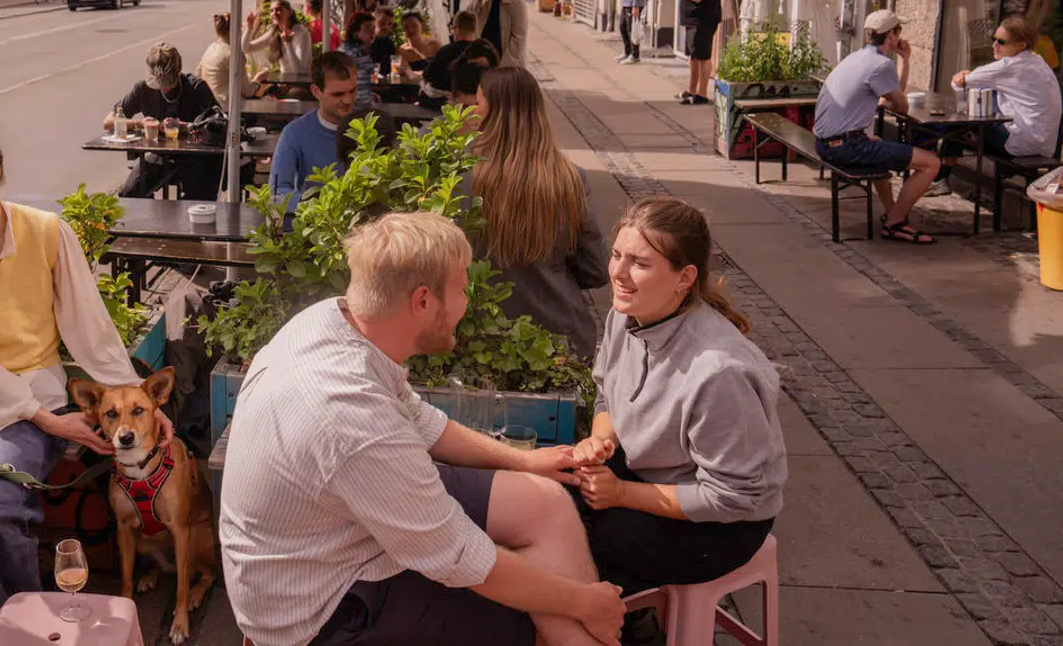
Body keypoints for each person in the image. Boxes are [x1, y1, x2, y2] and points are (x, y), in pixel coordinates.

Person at [219, 212, 627, 646]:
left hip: (335, 535)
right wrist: (585, 602)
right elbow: (458, 556)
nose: (467, 301)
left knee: (545, 502)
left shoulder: (334, 320)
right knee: (531, 616)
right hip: (319, 608)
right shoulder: (354, 420)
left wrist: (524, 461)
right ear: (423, 301)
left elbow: (416, 417)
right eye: (462, 288)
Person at [0, 120, 167, 645]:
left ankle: (18, 634)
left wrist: (140, 402)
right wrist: (50, 423)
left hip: (33, 386)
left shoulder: (46, 232)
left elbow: (89, 327)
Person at [573, 197, 786, 596]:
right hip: (648, 475)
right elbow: (607, 393)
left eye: (639, 263)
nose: (617, 272)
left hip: (719, 529)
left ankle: (620, 624)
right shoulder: (627, 314)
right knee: (547, 495)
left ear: (685, 278)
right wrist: (600, 441)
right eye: (616, 254)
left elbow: (731, 498)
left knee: (573, 546)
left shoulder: (719, 372)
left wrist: (620, 493)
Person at [460, 68, 608, 354]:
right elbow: (597, 269)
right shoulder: (570, 178)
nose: (471, 112)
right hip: (561, 340)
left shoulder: (459, 178)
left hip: (481, 338)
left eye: (477, 103)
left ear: (491, 112)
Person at [812, 9, 940, 243]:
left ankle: (892, 213)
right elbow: (901, 106)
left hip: (825, 143)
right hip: (845, 146)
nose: (900, 36)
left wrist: (904, 60)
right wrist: (903, 61)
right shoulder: (881, 65)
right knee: (931, 163)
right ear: (891, 35)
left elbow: (891, 95)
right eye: (899, 31)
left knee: (879, 143)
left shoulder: (856, 57)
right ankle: (895, 224)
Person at [933, 16, 1062, 191]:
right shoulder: (1038, 62)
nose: (994, 45)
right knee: (983, 98)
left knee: (959, 121)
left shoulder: (1009, 66)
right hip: (1044, 145)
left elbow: (957, 84)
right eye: (994, 39)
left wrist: (962, 77)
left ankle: (939, 178)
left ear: (1021, 45)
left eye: (1001, 42)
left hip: (1019, 144)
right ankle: (946, 168)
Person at [104, 43, 223, 200]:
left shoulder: (196, 88)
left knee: (198, 197)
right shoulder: (142, 89)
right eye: (158, 82)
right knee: (130, 193)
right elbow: (109, 121)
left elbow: (220, 123)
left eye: (168, 82)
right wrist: (140, 124)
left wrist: (186, 127)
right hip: (158, 154)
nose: (163, 87)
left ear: (178, 71)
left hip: (194, 157)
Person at [270, 52, 359, 211]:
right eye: (338, 94)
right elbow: (277, 191)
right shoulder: (294, 133)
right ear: (316, 91)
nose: (348, 100)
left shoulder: (370, 128)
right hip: (315, 225)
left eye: (352, 91)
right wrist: (321, 208)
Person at [666, 0, 721, 104]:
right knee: (694, 57)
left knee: (703, 57)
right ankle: (692, 90)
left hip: (702, 20)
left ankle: (702, 94)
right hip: (694, 21)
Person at [464, 0, 528, 69]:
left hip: (507, 62)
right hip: (485, 58)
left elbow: (518, 38)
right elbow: (468, 17)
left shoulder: (517, 2)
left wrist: (503, 66)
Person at [421, 12, 480, 105]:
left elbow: (428, 76)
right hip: (477, 106)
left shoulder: (445, 51)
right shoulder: (484, 52)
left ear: (456, 29)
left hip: (444, 108)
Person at [247, 0, 312, 78]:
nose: (274, 13)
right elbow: (247, 48)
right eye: (271, 11)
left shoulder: (301, 33)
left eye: (279, 9)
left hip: (301, 83)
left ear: (290, 12)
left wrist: (288, 43)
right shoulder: (275, 31)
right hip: (284, 82)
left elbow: (300, 71)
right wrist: (249, 28)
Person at [342, 11, 379, 107]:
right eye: (367, 29)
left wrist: (370, 95)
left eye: (373, 29)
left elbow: (361, 84)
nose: (372, 33)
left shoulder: (363, 52)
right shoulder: (349, 54)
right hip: (353, 109)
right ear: (355, 32)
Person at [370, 6, 399, 79]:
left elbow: (391, 71)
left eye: (390, 24)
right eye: (382, 23)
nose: (386, 27)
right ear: (374, 21)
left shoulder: (390, 44)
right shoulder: (364, 42)